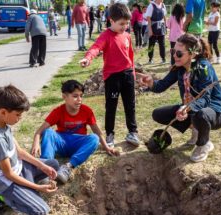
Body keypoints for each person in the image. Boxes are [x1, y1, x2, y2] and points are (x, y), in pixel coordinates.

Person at [139, 34, 221, 163]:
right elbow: (162, 85)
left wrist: (187, 107)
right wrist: (151, 82)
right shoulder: (179, 68)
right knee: (158, 114)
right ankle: (196, 130)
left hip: (215, 111)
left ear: (193, 54)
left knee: (201, 115)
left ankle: (204, 144)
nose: (174, 56)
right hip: (190, 109)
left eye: (179, 53)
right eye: (173, 51)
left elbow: (205, 99)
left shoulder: (203, 68)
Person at [0, 85, 59, 215]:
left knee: (52, 165)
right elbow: (8, 174)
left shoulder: (3, 124)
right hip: (5, 181)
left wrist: (42, 165)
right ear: (3, 112)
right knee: (41, 211)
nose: (20, 118)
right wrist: (38, 188)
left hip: (18, 168)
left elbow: (20, 152)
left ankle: (25, 189)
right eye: (18, 115)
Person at [31, 80, 118, 183]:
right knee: (48, 132)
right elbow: (39, 131)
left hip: (77, 145)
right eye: (75, 96)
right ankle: (45, 168)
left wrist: (107, 147)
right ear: (64, 97)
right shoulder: (58, 111)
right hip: (62, 143)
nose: (79, 99)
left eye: (81, 96)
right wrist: (36, 143)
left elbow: (97, 131)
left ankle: (68, 167)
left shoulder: (87, 111)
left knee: (94, 138)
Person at [79, 3, 140, 147]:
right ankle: (110, 134)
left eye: (126, 23)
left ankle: (133, 132)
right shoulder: (105, 35)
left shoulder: (126, 36)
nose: (124, 26)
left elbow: (130, 56)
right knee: (111, 106)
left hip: (128, 75)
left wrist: (133, 73)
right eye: (121, 24)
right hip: (113, 77)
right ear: (111, 20)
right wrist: (88, 58)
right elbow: (96, 47)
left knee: (130, 105)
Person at [145, 0, 167, 64]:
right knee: (151, 44)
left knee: (162, 44)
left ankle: (163, 59)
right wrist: (150, 29)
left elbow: (164, 16)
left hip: (161, 27)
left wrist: (165, 27)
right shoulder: (151, 6)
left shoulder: (163, 5)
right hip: (153, 27)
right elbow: (148, 18)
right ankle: (150, 59)